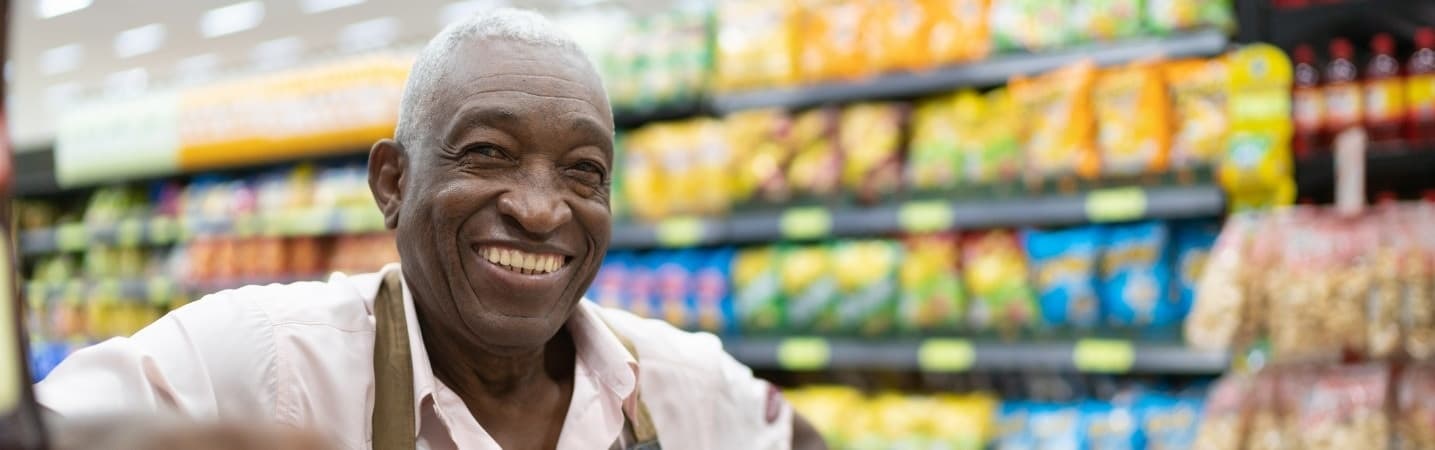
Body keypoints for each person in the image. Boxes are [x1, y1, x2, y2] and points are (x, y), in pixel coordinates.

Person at [34, 8, 825, 450]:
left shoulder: (680, 384)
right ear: (393, 182)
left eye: (583, 170)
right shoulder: (267, 361)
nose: (542, 209)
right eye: (487, 153)